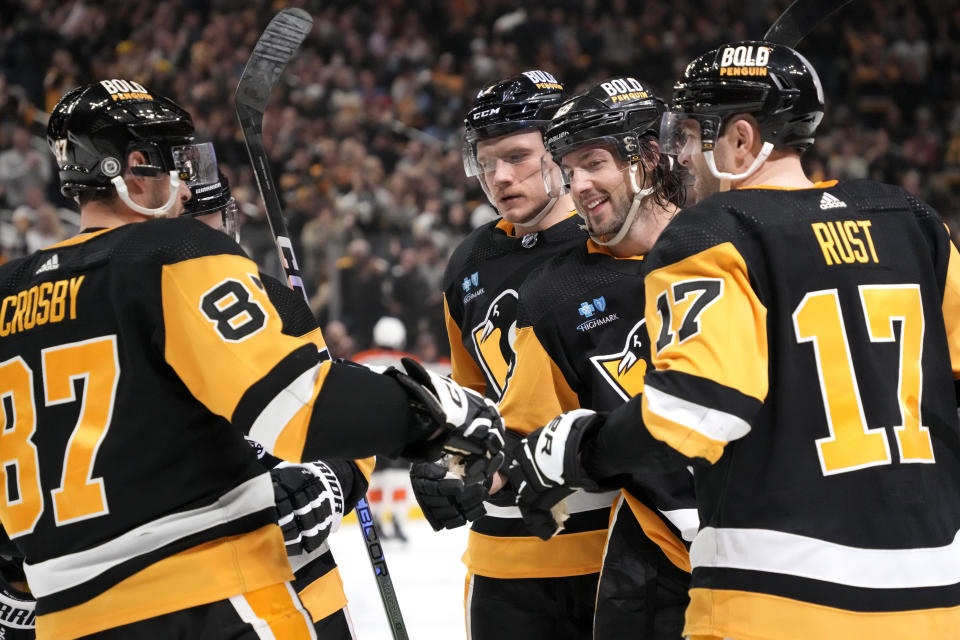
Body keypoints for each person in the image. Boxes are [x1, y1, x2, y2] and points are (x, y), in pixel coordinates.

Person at [0, 80, 503, 640]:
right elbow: (306, 410)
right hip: (207, 595)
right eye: (171, 162)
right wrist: (435, 413)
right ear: (134, 166)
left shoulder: (7, 291)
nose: (186, 190)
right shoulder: (171, 256)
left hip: (65, 621)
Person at [514, 41, 960, 639]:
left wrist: (581, 446)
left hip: (775, 597)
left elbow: (696, 410)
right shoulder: (911, 219)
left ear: (742, 140)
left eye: (691, 136)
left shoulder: (713, 233)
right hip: (935, 595)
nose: (675, 159)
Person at [411, 70, 608, 640]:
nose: (500, 177)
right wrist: (447, 464)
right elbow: (470, 405)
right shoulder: (469, 261)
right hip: (503, 553)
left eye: (518, 156)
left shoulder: (613, 238)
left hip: (616, 542)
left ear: (562, 152)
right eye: (486, 160)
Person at [501, 77, 696, 639]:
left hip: (774, 557)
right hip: (657, 572)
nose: (578, 185)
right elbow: (527, 434)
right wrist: (474, 466)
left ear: (648, 156)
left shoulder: (733, 245)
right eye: (569, 169)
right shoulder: (553, 297)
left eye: (593, 163)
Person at [181, 170, 373, 639]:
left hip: (302, 582)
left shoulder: (279, 306)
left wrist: (330, 479)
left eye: (218, 224)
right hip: (187, 595)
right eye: (190, 230)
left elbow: (339, 432)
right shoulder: (127, 311)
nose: (213, 245)